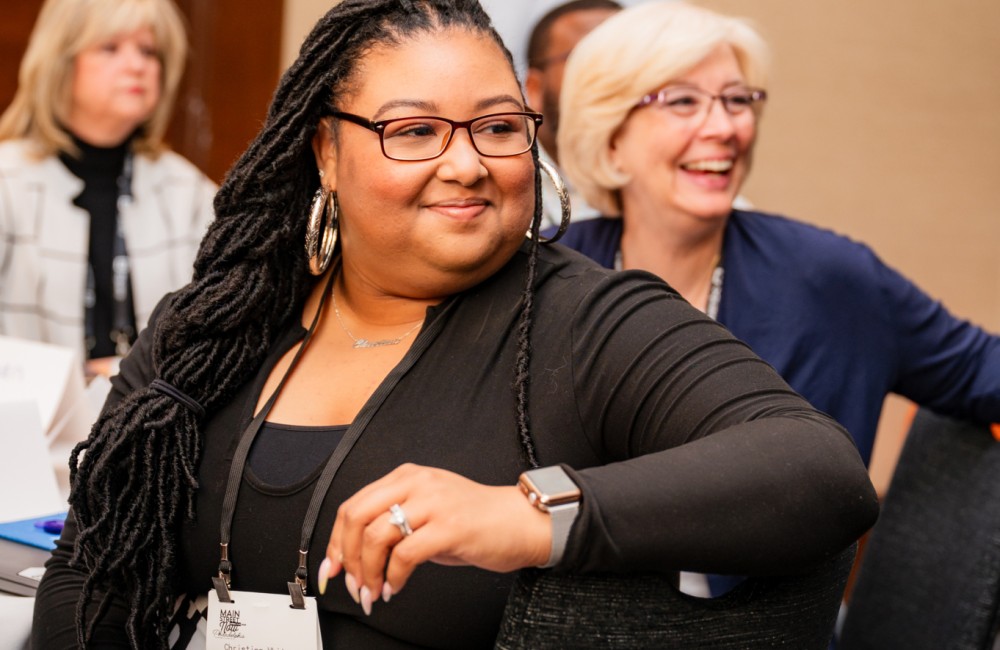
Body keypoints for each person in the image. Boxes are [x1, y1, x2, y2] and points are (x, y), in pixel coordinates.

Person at [31, 1, 877, 648]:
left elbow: (817, 471)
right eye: (416, 130)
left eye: (499, 127)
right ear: (325, 150)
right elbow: (91, 568)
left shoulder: (588, 321)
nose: (467, 162)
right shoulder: (213, 327)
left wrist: (535, 513)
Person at [555, 0, 1000, 470]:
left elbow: (980, 369)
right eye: (683, 101)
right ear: (610, 139)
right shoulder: (543, 276)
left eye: (737, 100)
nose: (725, 127)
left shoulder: (830, 277)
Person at [0, 0, 216, 378]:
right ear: (60, 62)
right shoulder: (7, 181)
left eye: (149, 52)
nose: (138, 66)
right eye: (110, 48)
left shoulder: (189, 193)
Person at [524, 0, 621, 230]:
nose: (615, 76)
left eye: (629, 60)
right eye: (588, 59)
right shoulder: (506, 177)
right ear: (535, 88)